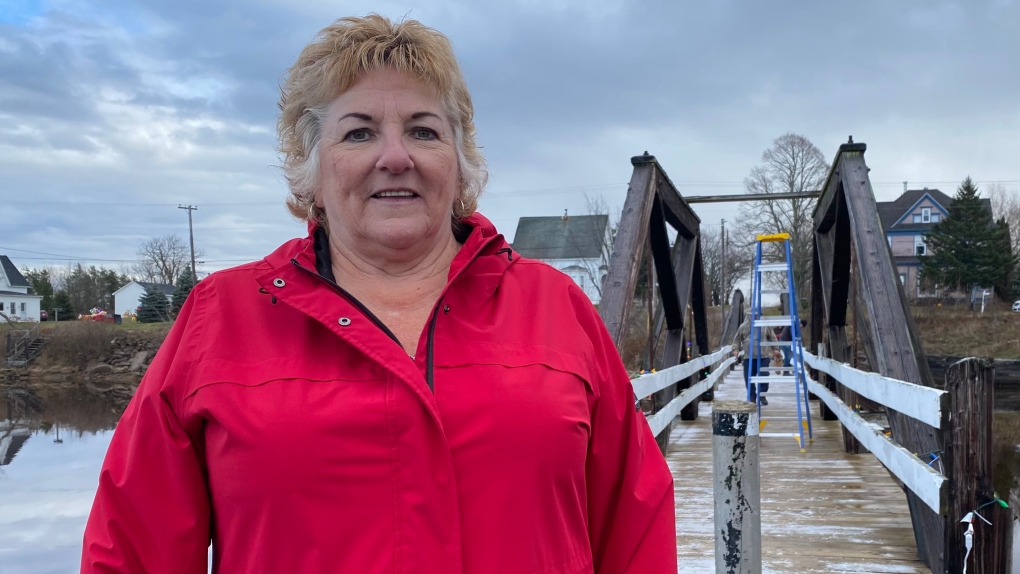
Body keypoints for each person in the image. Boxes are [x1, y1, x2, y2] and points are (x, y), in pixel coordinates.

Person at [81, 15, 677, 574]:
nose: (395, 157)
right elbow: (132, 546)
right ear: (312, 171)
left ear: (461, 162)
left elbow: (635, 531)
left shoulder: (556, 310)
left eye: (423, 130)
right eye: (359, 133)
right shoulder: (220, 319)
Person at [731, 317, 778, 405]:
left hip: (763, 356)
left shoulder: (765, 325)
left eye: (756, 315)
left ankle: (762, 395)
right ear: (748, 316)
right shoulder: (743, 326)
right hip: (749, 357)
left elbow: (772, 337)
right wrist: (735, 349)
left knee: (764, 376)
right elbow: (737, 339)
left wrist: (775, 348)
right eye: (751, 315)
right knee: (749, 378)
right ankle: (752, 397)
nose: (753, 317)